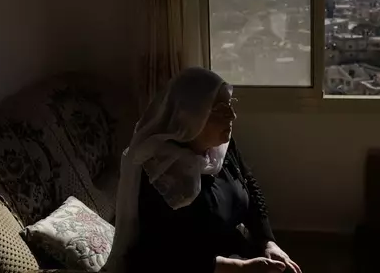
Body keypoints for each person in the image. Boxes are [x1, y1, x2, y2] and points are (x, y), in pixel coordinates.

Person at [105, 67, 301, 273]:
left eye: (230, 105)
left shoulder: (222, 148)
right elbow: (161, 255)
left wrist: (267, 242)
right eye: (218, 110)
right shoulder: (160, 171)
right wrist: (239, 267)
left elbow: (249, 186)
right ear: (188, 116)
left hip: (233, 252)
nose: (232, 116)